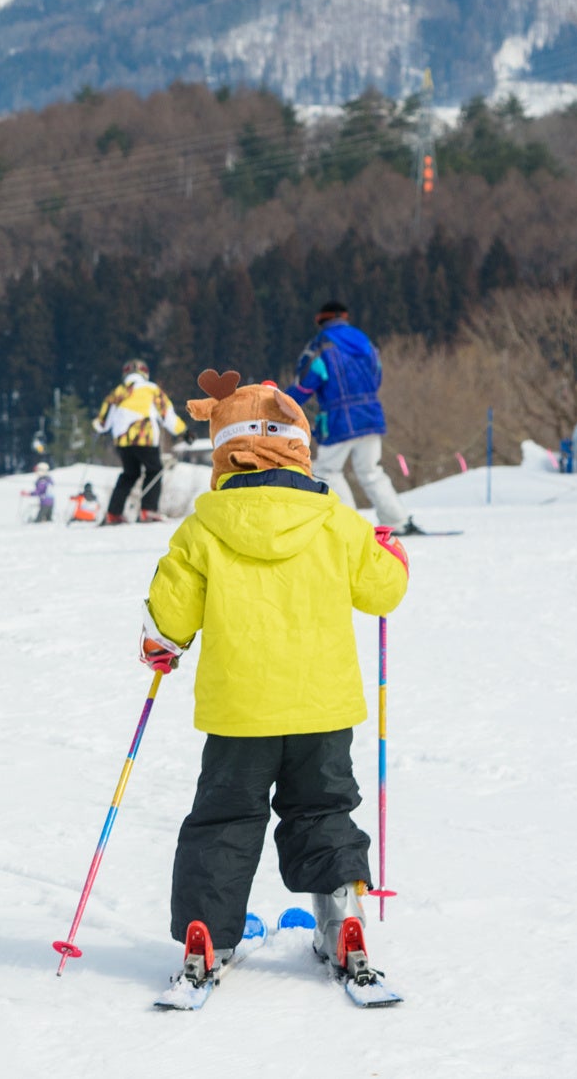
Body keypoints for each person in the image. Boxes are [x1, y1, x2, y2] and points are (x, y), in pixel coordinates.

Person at [140, 369, 408, 999]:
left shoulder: (204, 526)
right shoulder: (334, 520)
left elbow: (170, 609)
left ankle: (209, 933)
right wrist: (391, 554)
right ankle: (341, 917)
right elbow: (383, 590)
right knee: (323, 809)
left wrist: (160, 645)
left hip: (239, 714)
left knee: (225, 818)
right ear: (298, 446)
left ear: (226, 450)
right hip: (323, 709)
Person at [289, 301, 415, 533]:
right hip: (371, 415)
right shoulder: (364, 342)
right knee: (370, 471)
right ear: (344, 317)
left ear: (320, 320)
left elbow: (305, 385)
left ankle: (350, 526)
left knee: (327, 471)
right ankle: (398, 521)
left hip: (338, 420)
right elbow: (377, 376)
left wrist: (282, 403)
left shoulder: (321, 346)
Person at [95, 360, 186, 523]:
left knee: (129, 474)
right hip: (145, 437)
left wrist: (99, 431)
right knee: (154, 470)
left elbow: (102, 422)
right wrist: (183, 432)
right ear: (145, 373)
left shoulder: (118, 392)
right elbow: (167, 415)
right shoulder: (151, 389)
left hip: (122, 441)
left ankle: (113, 513)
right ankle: (148, 510)